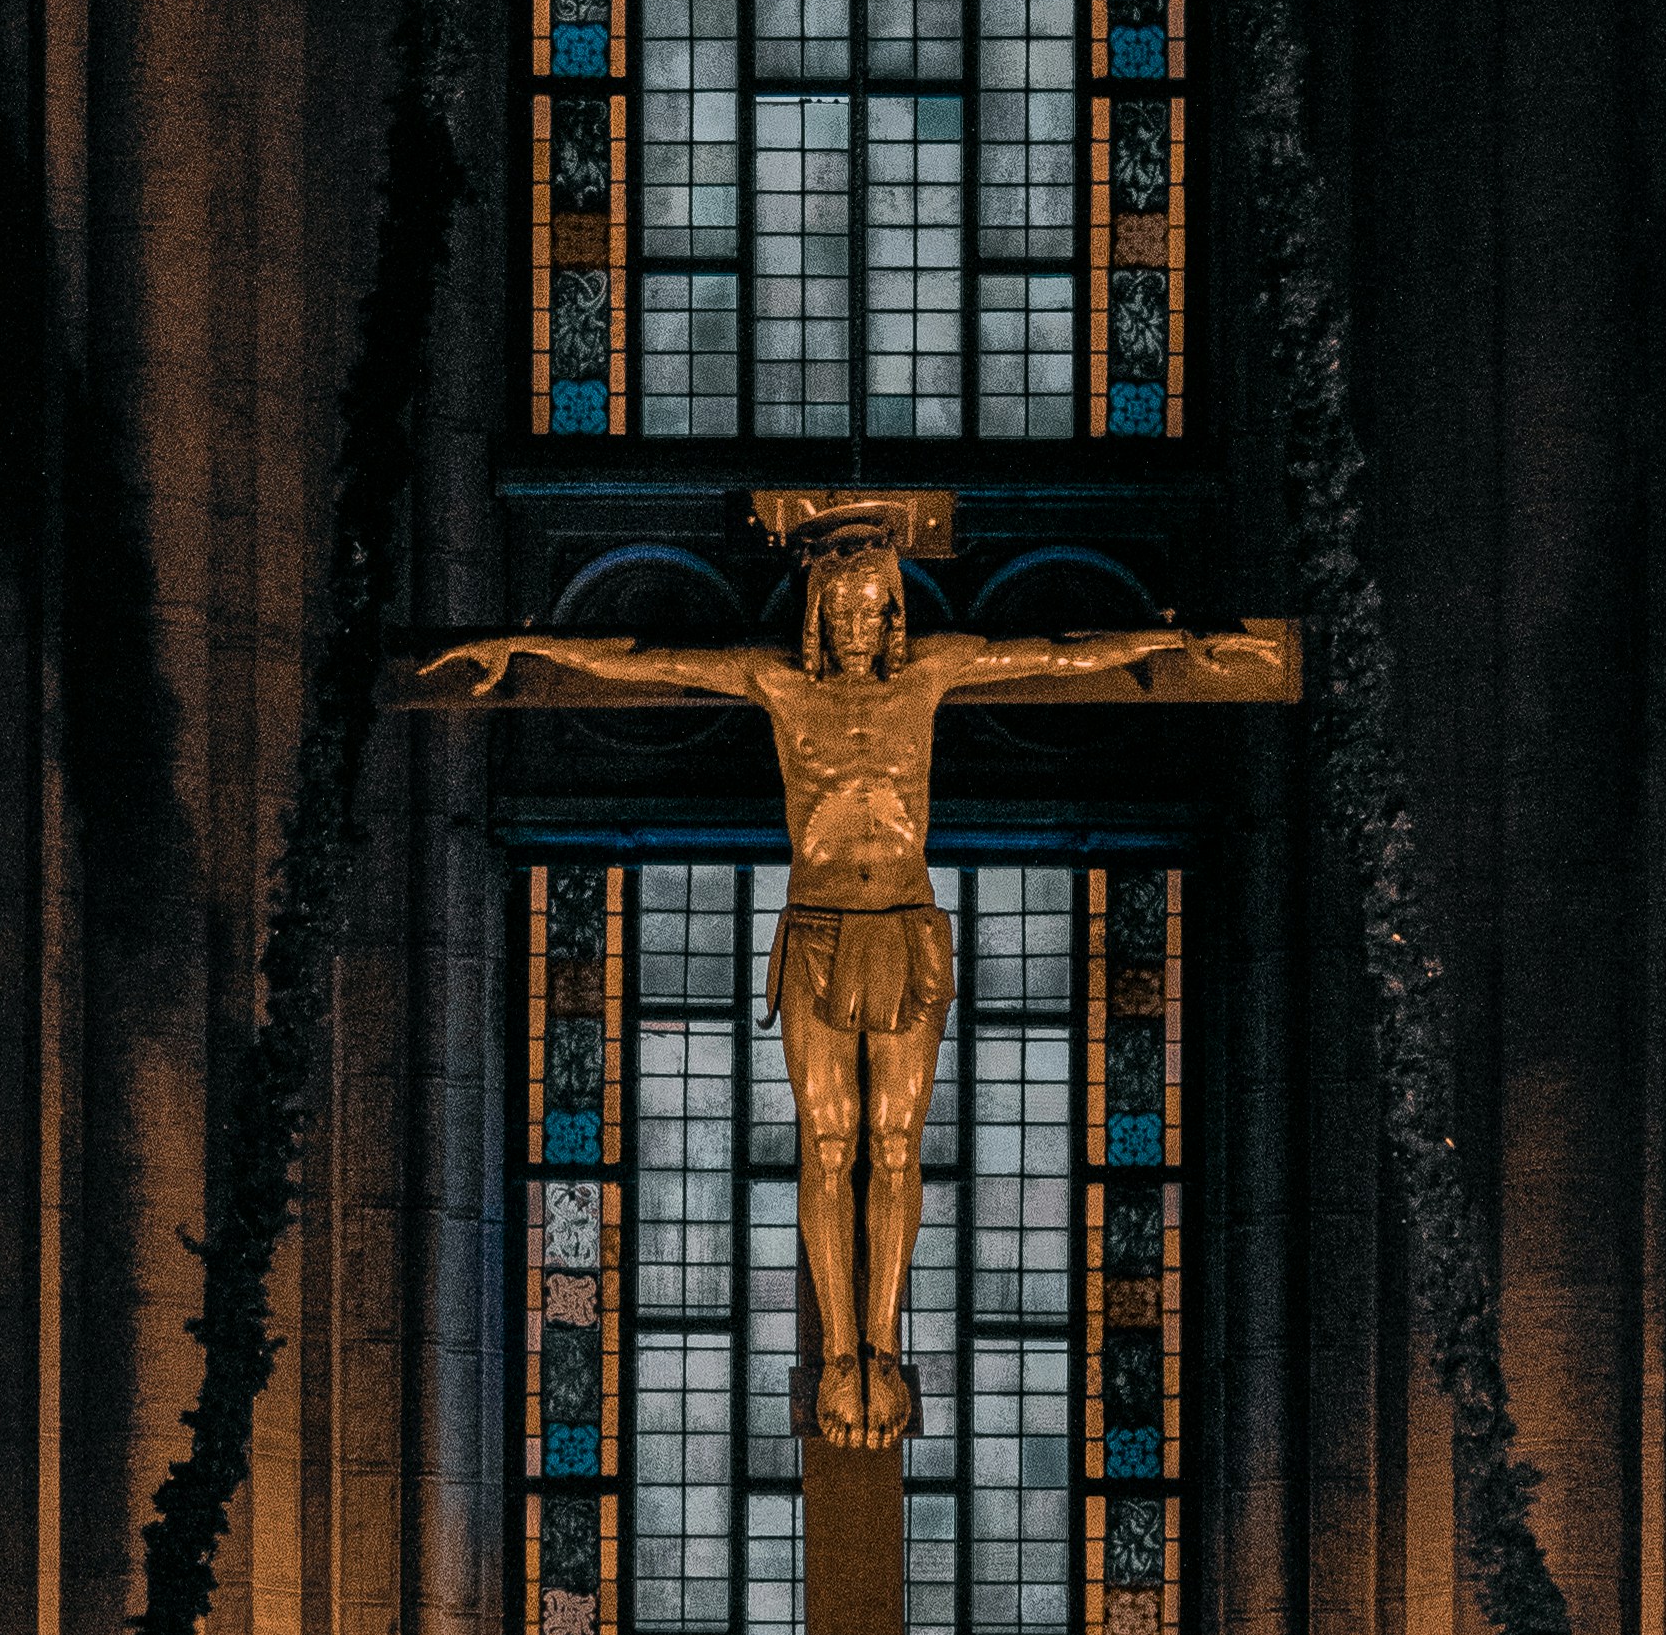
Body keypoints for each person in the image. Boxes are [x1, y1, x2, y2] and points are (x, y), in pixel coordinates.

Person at [401, 532, 1195, 1447]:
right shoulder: (778, 683)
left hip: (902, 925)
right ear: (818, 610)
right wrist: (528, 645)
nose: (860, 627)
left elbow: (1053, 655)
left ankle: (881, 1341)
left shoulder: (928, 673)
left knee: (895, 1145)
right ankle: (839, 1355)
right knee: (826, 1144)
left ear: (895, 613)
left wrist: (1163, 644)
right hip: (817, 930)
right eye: (844, 608)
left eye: (874, 608)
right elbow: (648, 663)